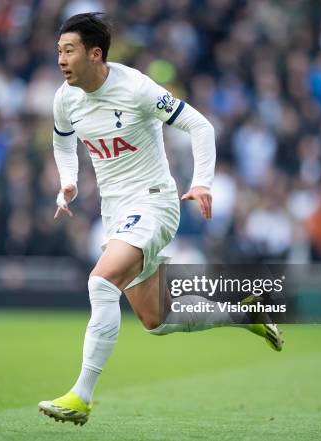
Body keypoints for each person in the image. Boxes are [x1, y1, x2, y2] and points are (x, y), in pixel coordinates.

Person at [38, 13, 283, 426]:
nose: (61, 60)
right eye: (59, 50)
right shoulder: (66, 98)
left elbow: (200, 126)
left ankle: (81, 396)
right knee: (155, 320)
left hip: (153, 203)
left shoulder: (136, 88)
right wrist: (69, 182)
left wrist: (202, 182)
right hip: (116, 212)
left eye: (69, 50)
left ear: (95, 54)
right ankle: (242, 314)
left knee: (100, 283)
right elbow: (62, 141)